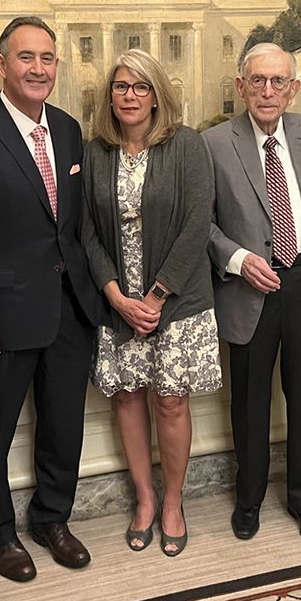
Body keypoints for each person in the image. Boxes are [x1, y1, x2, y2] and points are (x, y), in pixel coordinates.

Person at [0, 17, 106, 582]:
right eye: (26, 57)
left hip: (69, 310)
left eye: (47, 58)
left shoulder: (66, 130)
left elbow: (72, 226)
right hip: (2, 320)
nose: (38, 68)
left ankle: (51, 519)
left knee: (64, 425)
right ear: (2, 64)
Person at [81, 49, 220, 557]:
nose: (130, 95)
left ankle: (173, 503)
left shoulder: (185, 145)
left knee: (170, 400)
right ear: (110, 95)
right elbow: (87, 232)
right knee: (127, 398)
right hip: (119, 304)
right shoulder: (96, 150)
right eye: (121, 86)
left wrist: (157, 295)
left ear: (158, 92)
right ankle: (144, 498)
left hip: (175, 303)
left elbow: (196, 223)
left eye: (141, 86)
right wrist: (116, 295)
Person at [205, 43, 301, 548]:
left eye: (277, 81)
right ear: (240, 86)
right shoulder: (213, 142)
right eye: (257, 80)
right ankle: (249, 498)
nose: (267, 91)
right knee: (249, 401)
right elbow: (203, 223)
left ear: (293, 89)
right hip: (247, 289)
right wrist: (238, 259)